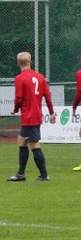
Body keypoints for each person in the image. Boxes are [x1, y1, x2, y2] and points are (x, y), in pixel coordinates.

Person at [6, 52, 56, 182]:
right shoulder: (40, 77)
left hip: (29, 116)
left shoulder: (20, 78)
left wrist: (15, 109)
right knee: (21, 142)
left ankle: (44, 175)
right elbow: (48, 97)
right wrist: (51, 113)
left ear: (18, 64)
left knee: (34, 145)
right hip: (36, 115)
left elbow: (18, 98)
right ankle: (21, 173)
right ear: (30, 62)